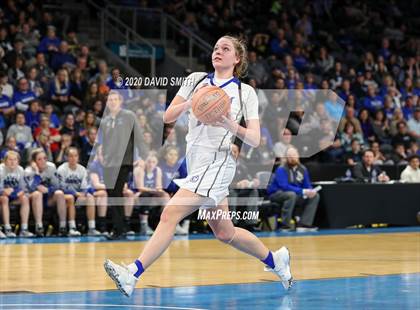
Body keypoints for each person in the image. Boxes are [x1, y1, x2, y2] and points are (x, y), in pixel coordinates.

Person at [104, 36, 293, 297]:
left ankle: (132, 274)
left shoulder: (244, 92)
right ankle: (276, 260)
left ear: (237, 59)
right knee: (225, 232)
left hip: (219, 161)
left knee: (170, 214)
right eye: (216, 47)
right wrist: (190, 103)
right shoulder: (195, 80)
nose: (218, 51)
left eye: (225, 49)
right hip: (196, 162)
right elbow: (167, 116)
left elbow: (255, 138)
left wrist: (229, 124)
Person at [98, 90, 147, 239]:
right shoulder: (105, 120)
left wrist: (143, 157)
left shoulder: (128, 116)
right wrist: (102, 156)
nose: (112, 102)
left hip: (124, 161)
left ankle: (119, 229)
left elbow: (138, 136)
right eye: (110, 99)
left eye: (115, 99)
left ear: (120, 102)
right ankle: (120, 228)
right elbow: (104, 142)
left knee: (117, 192)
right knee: (112, 194)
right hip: (109, 163)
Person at [268, 147, 319, 232]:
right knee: (291, 194)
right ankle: (285, 225)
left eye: (294, 155)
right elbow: (284, 186)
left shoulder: (303, 169)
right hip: (276, 194)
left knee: (315, 196)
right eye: (289, 156)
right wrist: (302, 191)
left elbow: (307, 184)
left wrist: (310, 191)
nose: (292, 157)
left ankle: (304, 224)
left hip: (294, 194)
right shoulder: (281, 169)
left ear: (298, 156)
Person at [57, 147, 101, 236]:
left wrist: (84, 192)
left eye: (75, 156)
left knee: (90, 197)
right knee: (71, 198)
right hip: (65, 195)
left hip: (79, 195)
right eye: (71, 156)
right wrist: (75, 193)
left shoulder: (82, 169)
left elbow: (85, 185)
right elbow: (62, 186)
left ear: (78, 157)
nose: (73, 158)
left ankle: (91, 228)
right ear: (66, 157)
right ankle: (72, 228)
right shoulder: (61, 169)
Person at [24, 148, 66, 237]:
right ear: (34, 161)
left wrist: (48, 189)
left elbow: (58, 185)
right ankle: (39, 227)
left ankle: (63, 226)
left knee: (59, 193)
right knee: (37, 194)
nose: (43, 161)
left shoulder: (51, 167)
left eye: (45, 158)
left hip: (48, 198)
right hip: (33, 200)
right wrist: (36, 173)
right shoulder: (28, 171)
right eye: (39, 159)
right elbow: (30, 189)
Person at [0, 151, 34, 237]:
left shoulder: (20, 169)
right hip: (2, 196)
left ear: (18, 161)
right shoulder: (1, 169)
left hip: (13, 196)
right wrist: (3, 191)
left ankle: (24, 229)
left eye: (15, 160)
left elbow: (23, 188)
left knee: (25, 198)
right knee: (4, 198)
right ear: (5, 161)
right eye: (10, 159)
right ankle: (7, 229)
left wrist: (21, 192)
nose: (12, 162)